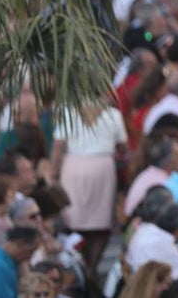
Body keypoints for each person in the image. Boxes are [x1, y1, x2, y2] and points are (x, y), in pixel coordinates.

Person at [51, 98, 127, 271]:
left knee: (74, 221)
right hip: (101, 168)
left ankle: (81, 266)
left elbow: (58, 144)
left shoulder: (68, 112)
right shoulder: (113, 115)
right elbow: (123, 146)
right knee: (100, 223)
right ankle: (90, 267)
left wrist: (53, 172)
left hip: (74, 166)